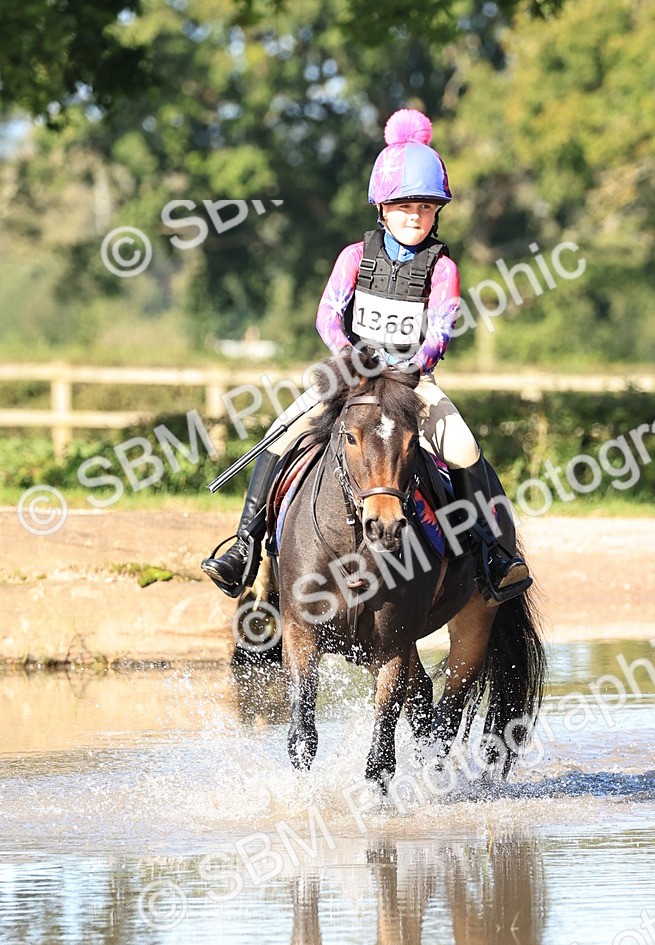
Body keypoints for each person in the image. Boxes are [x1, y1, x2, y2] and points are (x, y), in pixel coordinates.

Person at [201, 108, 531, 603]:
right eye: (404, 206)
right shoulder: (354, 257)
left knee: (463, 448)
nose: (415, 215)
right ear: (382, 208)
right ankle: (245, 547)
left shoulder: (443, 269)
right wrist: (349, 354)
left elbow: (441, 326)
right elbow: (327, 317)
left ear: (437, 210)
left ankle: (491, 555)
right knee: (279, 435)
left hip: (411, 383)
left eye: (425, 206)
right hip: (352, 378)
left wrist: (417, 363)